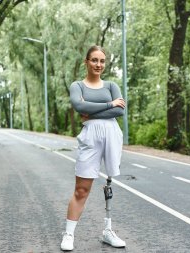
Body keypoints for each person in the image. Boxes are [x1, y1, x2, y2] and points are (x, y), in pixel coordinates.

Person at [60, 45, 126, 251]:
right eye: (94, 60)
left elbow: (121, 112)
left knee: (109, 181)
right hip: (90, 136)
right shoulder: (77, 85)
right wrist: (109, 105)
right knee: (82, 189)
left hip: (112, 134)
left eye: (102, 61)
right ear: (86, 62)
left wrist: (92, 110)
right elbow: (79, 107)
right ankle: (69, 234)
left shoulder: (112, 86)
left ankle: (108, 231)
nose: (98, 64)